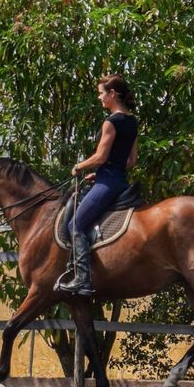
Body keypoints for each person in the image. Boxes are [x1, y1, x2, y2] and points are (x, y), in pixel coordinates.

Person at [57, 74, 138, 296]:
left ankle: (82, 279)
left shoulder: (111, 122)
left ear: (112, 94)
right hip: (120, 182)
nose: (100, 97)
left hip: (109, 183)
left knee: (75, 225)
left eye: (101, 93)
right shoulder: (132, 121)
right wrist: (99, 174)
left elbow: (101, 156)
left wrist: (80, 166)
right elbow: (131, 161)